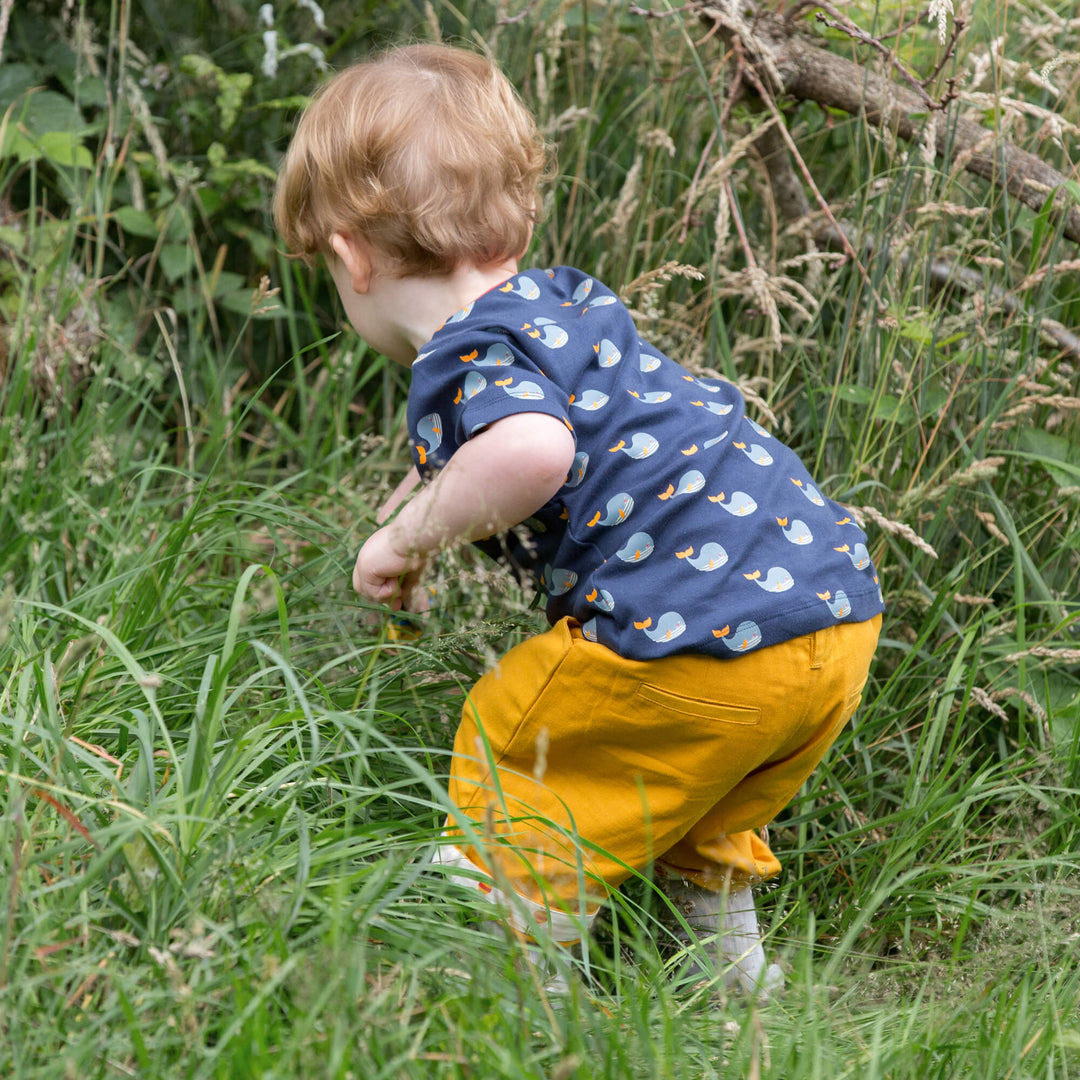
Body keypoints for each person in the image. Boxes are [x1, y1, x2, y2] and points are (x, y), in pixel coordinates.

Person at [274, 42, 883, 997]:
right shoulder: (564, 305)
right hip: (826, 618)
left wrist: (400, 539)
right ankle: (733, 995)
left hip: (691, 629)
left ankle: (510, 996)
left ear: (350, 258)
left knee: (521, 742)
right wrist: (416, 503)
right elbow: (514, 437)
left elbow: (528, 453)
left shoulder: (465, 355)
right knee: (692, 801)